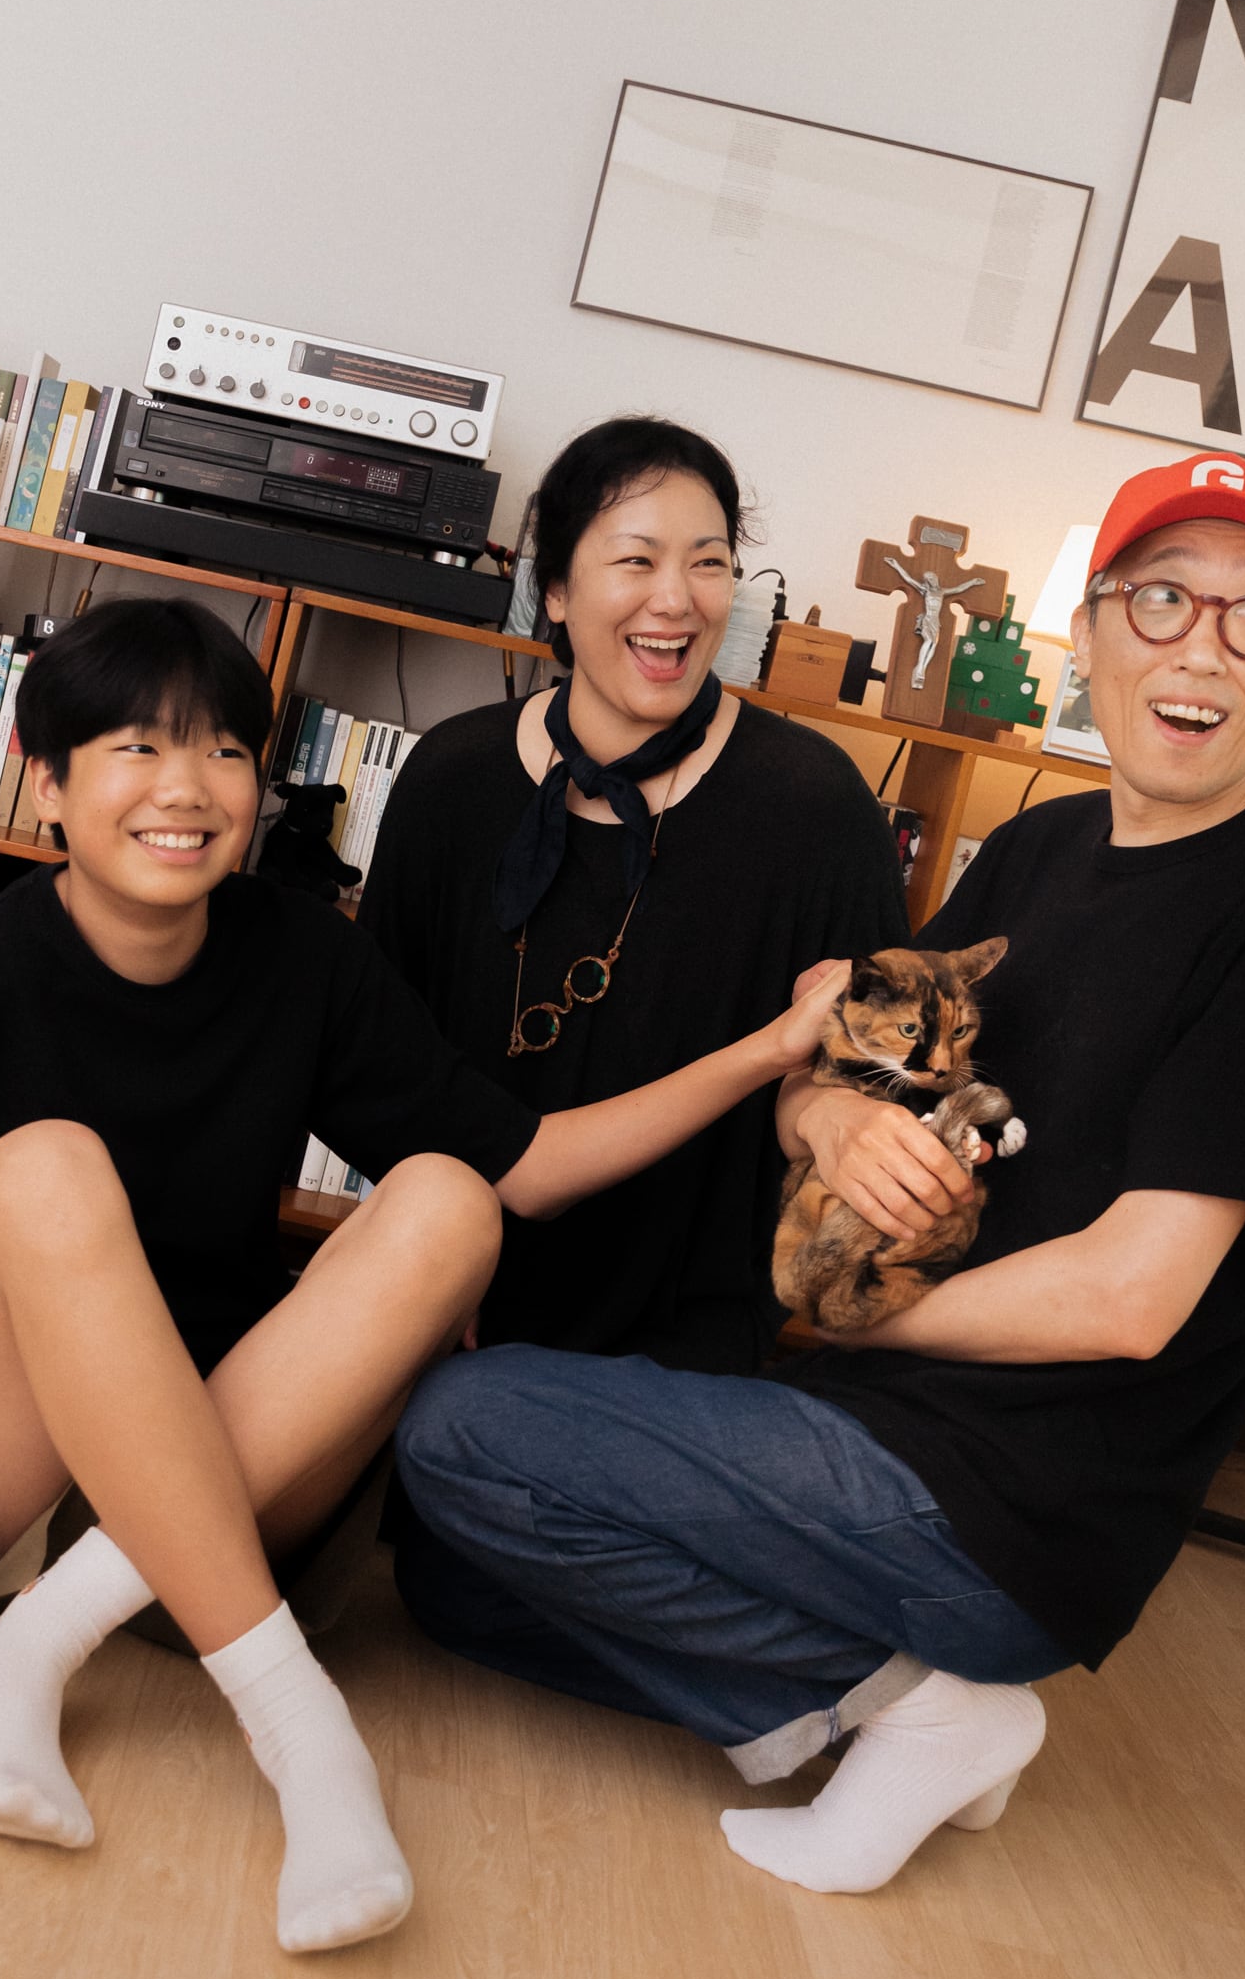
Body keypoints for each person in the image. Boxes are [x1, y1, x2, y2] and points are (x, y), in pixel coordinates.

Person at [0, 599, 851, 1953]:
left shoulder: (305, 956)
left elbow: (524, 1167)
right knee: (45, 1168)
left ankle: (36, 1650)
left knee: (449, 1198)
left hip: (233, 1469)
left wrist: (769, 1054)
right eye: (136, 748)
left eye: (223, 750)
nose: (186, 787)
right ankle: (300, 1730)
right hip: (11, 1473)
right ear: (47, 786)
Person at [393, 451, 1245, 1899]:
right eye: (1161, 600)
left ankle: (924, 1707)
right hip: (873, 1412)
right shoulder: (1040, 846)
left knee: (462, 1432)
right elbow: (836, 1068)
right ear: (1090, 631)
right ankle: (898, 1709)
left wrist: (844, 1314)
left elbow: (1130, 1300)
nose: (1199, 651)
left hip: (1010, 1499)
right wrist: (822, 1122)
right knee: (454, 1585)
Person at [358, 414, 928, 1378]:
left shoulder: (818, 805)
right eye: (636, 559)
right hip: (450, 1281)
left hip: (689, 1338)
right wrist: (433, 1249)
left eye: (708, 564)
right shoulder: (452, 776)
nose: (676, 599)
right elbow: (381, 1060)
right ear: (554, 589)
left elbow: (868, 1077)